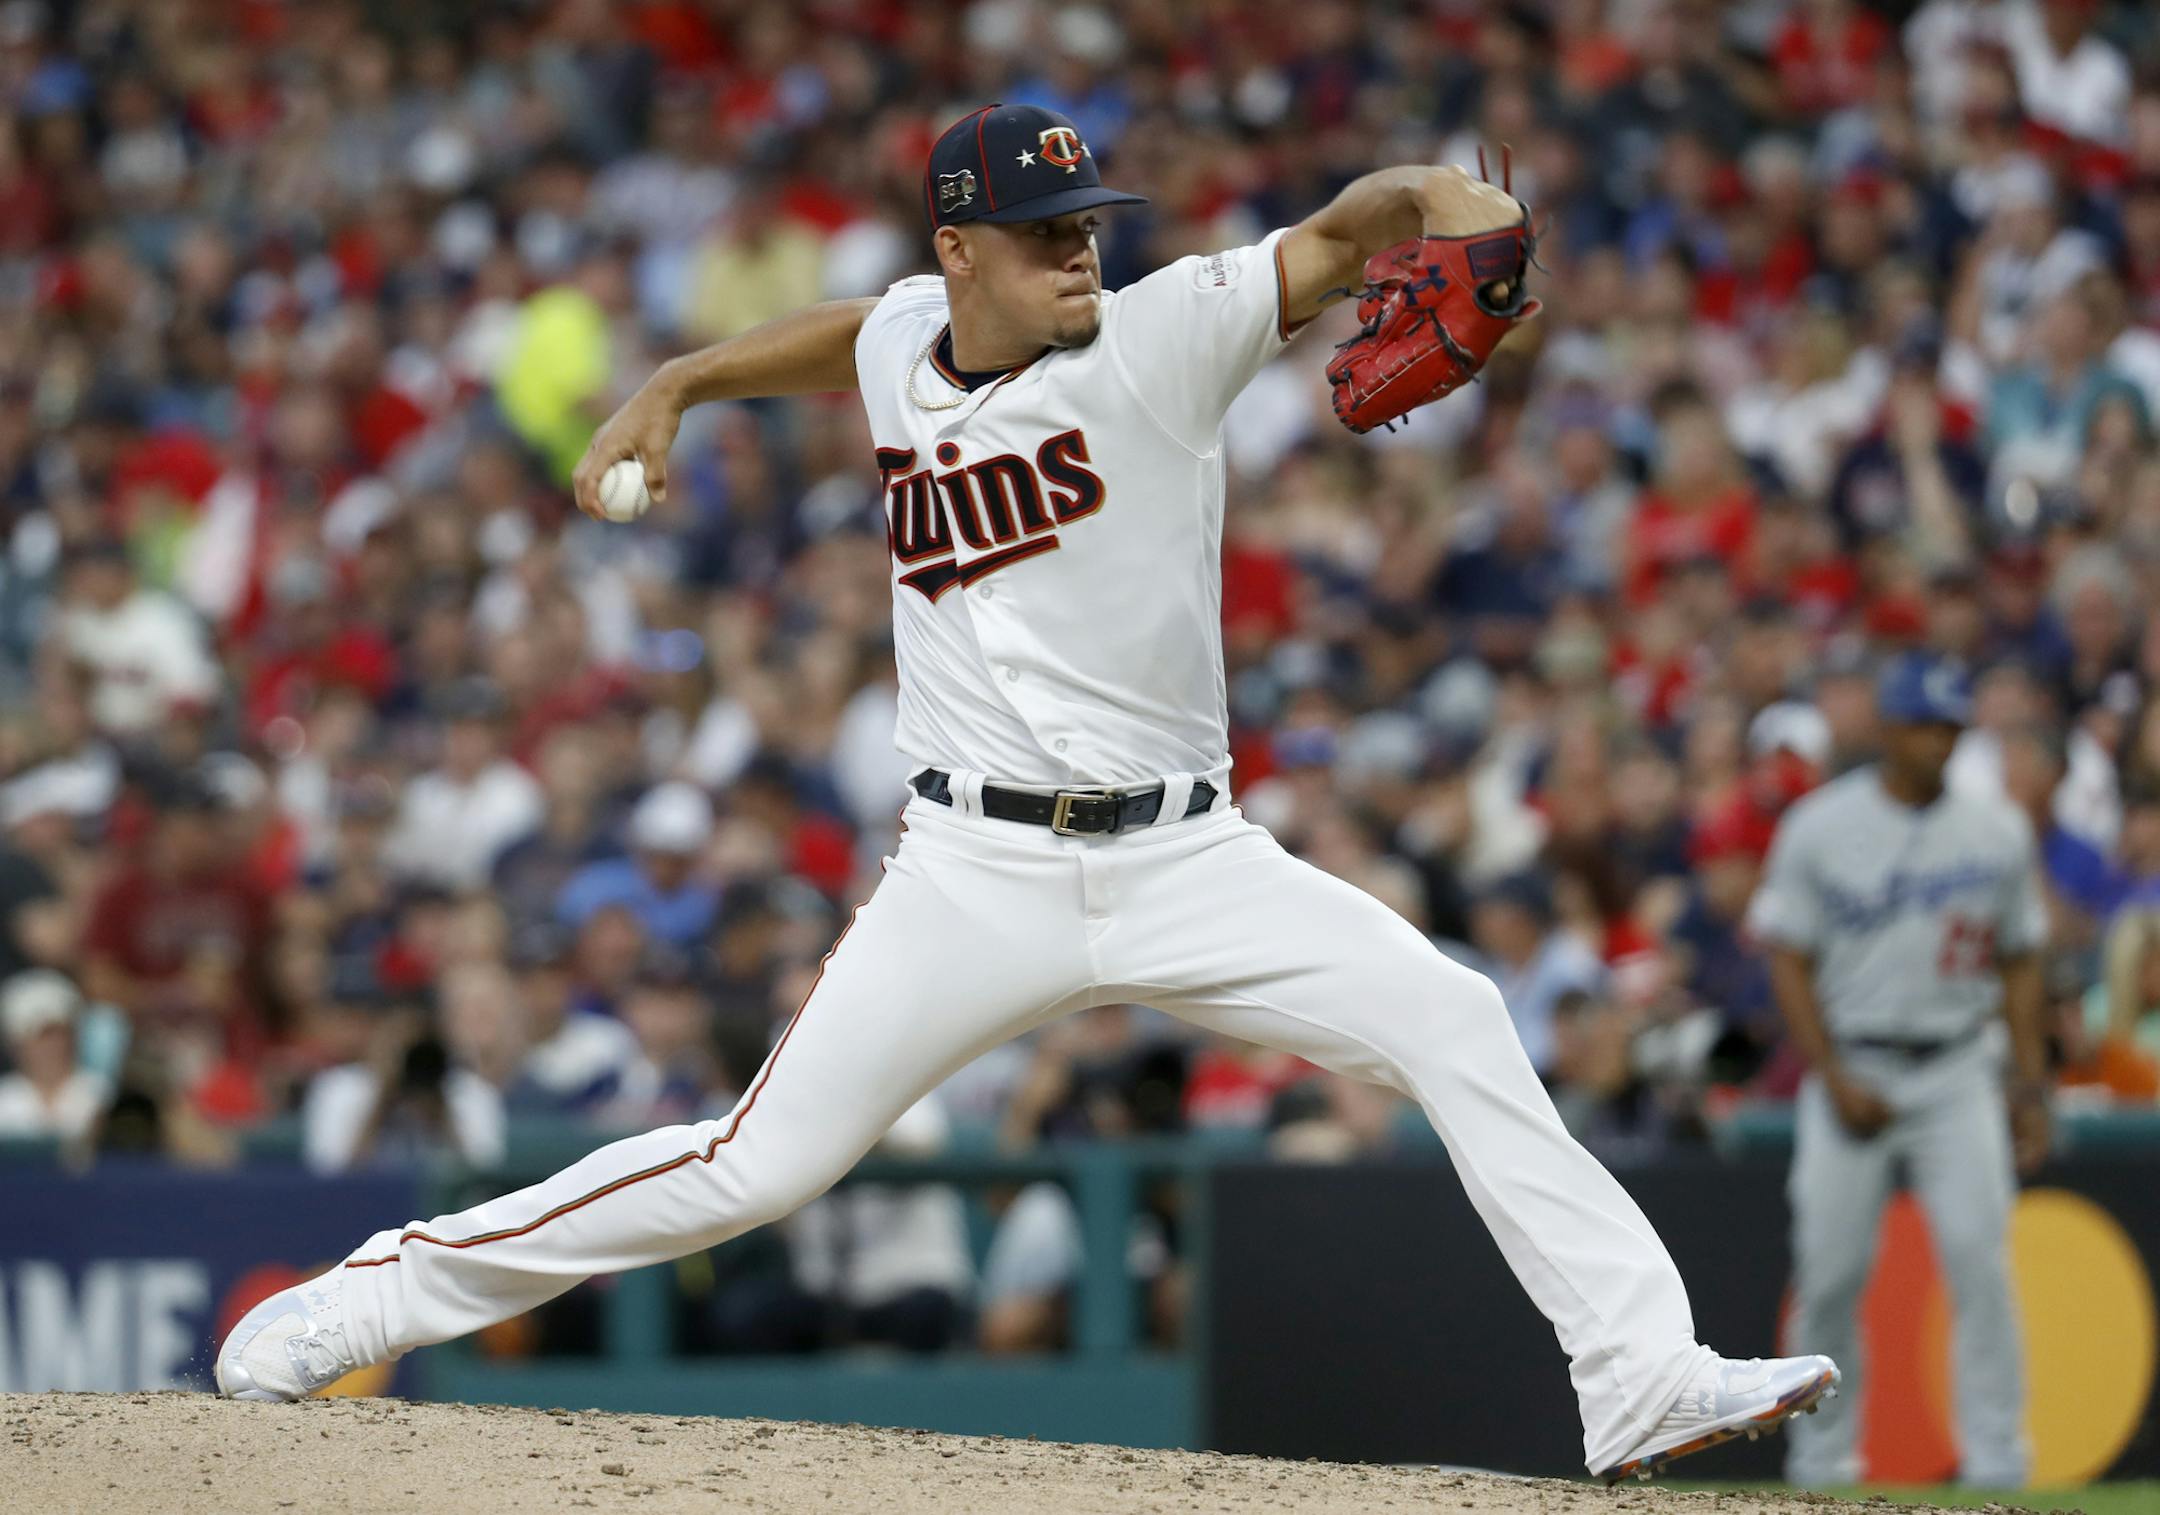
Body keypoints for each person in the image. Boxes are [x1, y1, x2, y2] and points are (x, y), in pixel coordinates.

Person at [216, 103, 1835, 1481]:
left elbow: (1354, 233)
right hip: (969, 874)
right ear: (959, 252)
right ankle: (363, 1303)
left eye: (1092, 223)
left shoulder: (1165, 328)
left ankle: (1636, 1377)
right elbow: (842, 341)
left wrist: (1453, 207)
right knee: (752, 1167)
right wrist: (684, 382)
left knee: (1453, 1018)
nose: (1084, 251)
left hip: (1190, 861)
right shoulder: (905, 338)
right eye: (1049, 229)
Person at [1751, 652, 2048, 1489]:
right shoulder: (1819, 824)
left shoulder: (1995, 828)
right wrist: (1831, 1072)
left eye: (1951, 726)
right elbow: (1786, 957)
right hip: (1853, 1062)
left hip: (1957, 1065)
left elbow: (2022, 959)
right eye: (1925, 724)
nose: (1939, 741)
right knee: (1831, 1271)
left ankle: (1998, 1468)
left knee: (1980, 1264)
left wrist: (2028, 1082)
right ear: (1888, 728)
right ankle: (1822, 1464)